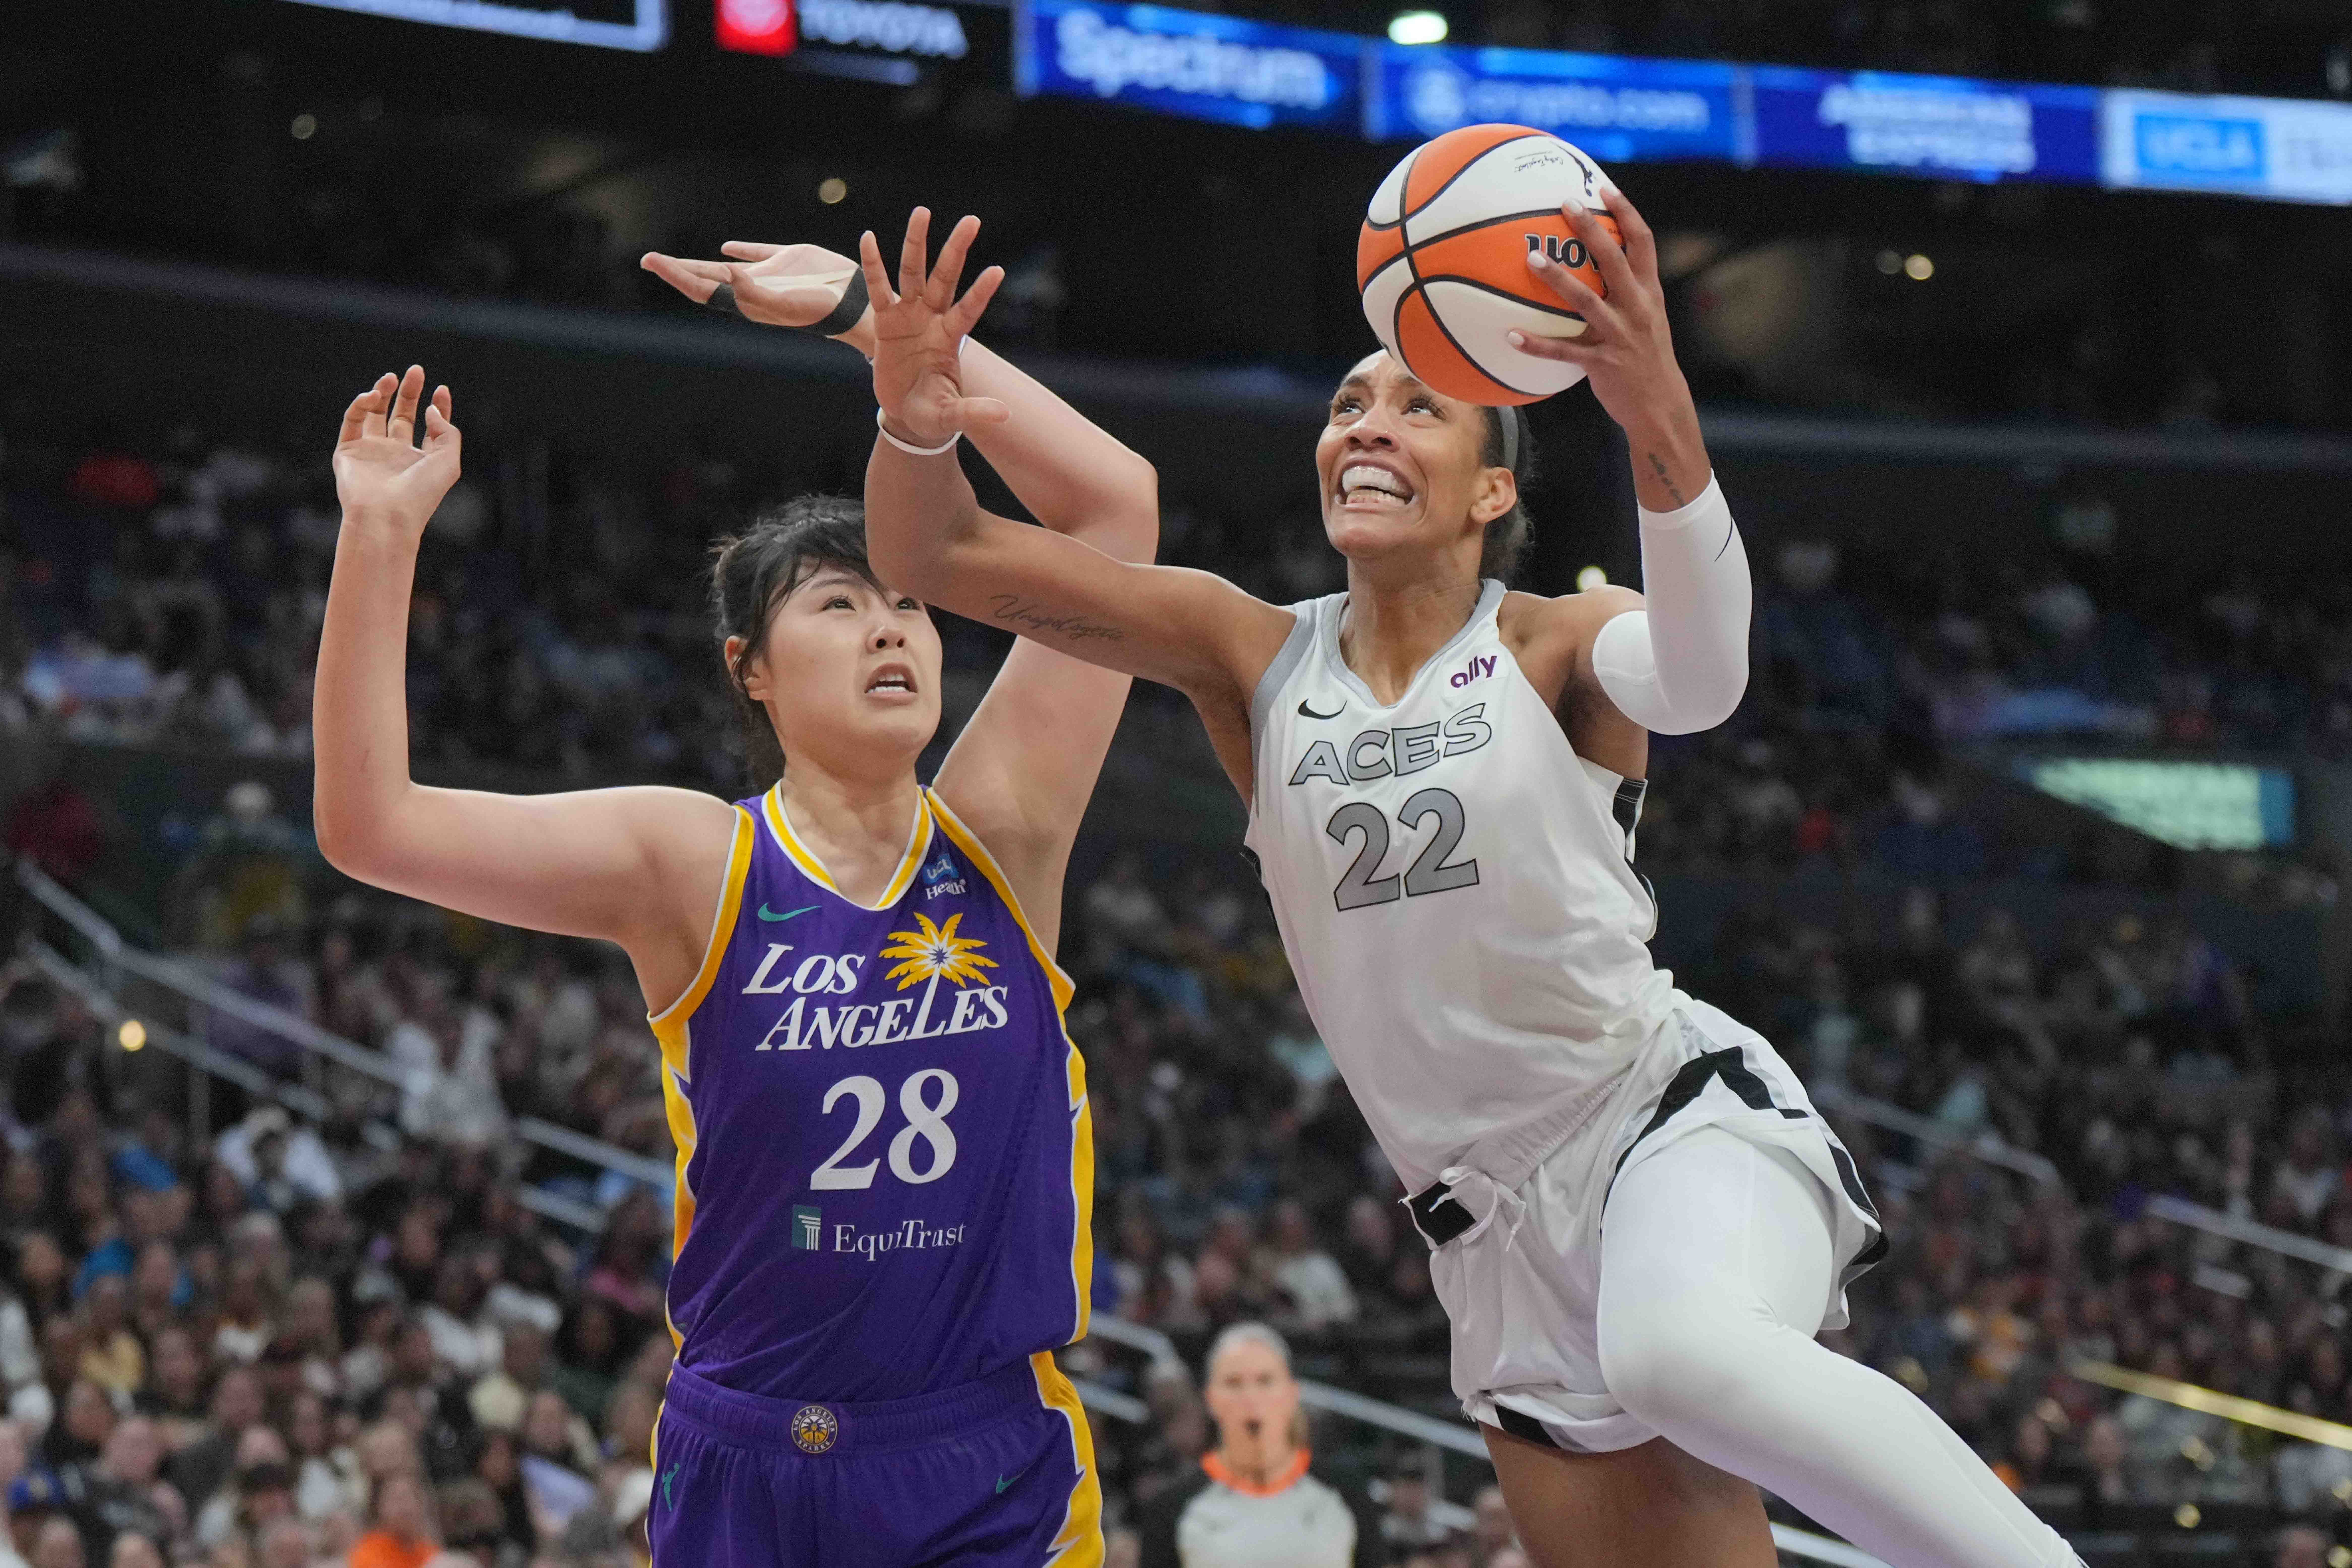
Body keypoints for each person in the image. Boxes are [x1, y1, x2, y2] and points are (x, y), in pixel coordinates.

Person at [855, 194, 2087, 1568]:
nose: (1366, 423)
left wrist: (1656, 412)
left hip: (1658, 1127)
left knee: (1678, 1348)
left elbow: (1704, 675)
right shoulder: (1249, 653)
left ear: (1492, 488)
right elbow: (933, 554)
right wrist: (912, 405)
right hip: (1486, 1235)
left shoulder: (1561, 639)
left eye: (1416, 406)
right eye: (1347, 401)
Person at [316, 211, 1158, 1566]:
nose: (890, 621)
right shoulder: (693, 860)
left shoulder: (1006, 824)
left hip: (987, 1464)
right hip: (748, 1466)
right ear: (749, 669)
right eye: (837, 603)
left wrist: (873, 333)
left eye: (908, 602)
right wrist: (379, 536)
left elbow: (1115, 511)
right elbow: (372, 825)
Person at [1134, 1325, 1384, 1568]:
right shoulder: (1170, 1510)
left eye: (1265, 1381)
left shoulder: (1347, 1496)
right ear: (1211, 1399)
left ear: (1291, 1394)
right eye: (1234, 1383)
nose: (1250, 1398)